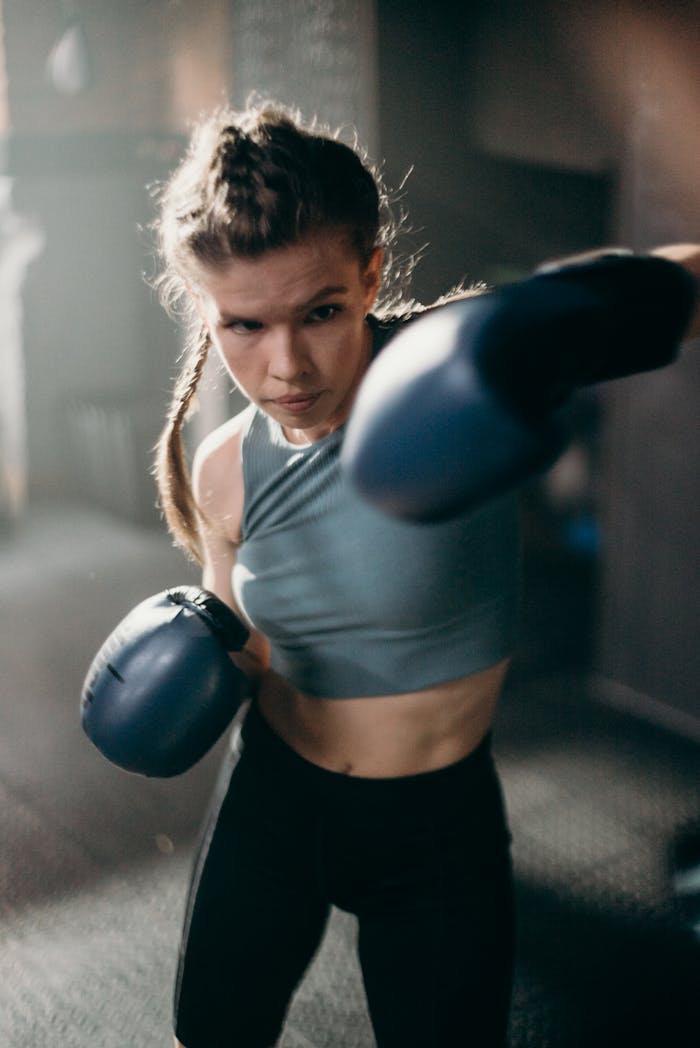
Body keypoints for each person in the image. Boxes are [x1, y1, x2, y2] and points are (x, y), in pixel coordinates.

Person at [151, 100, 700, 1048]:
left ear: (369, 273)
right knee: (212, 1032)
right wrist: (192, 657)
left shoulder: (467, 369)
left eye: (320, 311)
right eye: (244, 325)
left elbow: (677, 287)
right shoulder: (225, 468)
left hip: (434, 828)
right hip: (273, 803)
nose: (286, 366)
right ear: (207, 311)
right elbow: (247, 640)